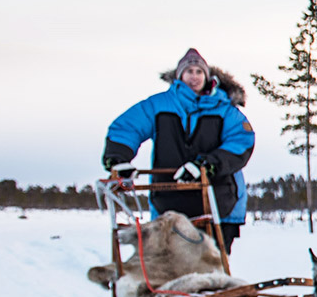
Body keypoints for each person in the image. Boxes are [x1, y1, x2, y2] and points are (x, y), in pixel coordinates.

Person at [102, 48, 254, 252]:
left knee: (212, 268)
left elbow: (240, 142)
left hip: (218, 201)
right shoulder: (159, 105)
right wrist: (118, 158)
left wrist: (206, 165)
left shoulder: (226, 110)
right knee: (167, 267)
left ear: (207, 76)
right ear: (179, 75)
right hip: (169, 202)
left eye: (199, 71)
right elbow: (127, 127)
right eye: (189, 71)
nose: (194, 76)